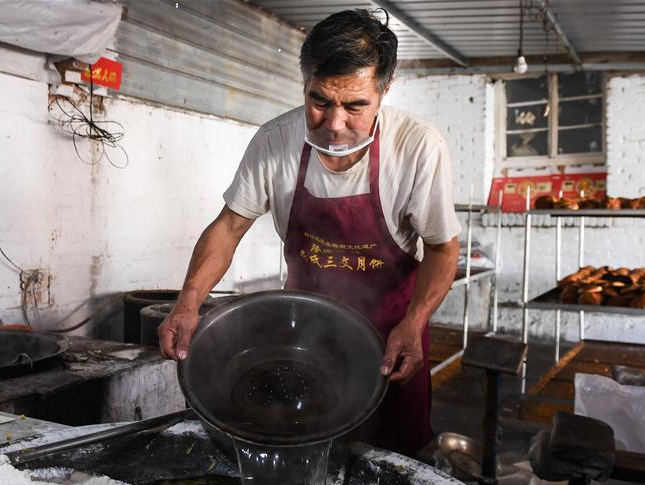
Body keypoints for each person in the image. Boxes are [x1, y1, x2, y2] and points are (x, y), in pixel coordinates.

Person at [158, 9, 460, 458]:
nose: (334, 123)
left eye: (355, 106)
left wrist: (413, 325)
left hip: (390, 338)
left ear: (385, 90)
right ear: (304, 83)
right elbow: (229, 226)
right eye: (320, 101)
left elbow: (441, 248)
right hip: (303, 335)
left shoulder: (416, 148)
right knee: (293, 444)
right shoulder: (275, 142)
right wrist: (188, 302)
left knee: (393, 461)